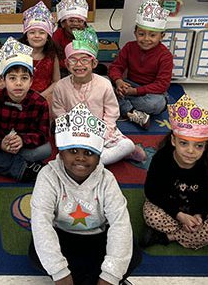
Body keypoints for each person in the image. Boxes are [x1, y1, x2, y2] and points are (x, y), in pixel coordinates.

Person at [29, 103, 141, 285]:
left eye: (89, 152)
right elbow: (41, 223)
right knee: (37, 249)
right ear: (61, 152)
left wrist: (111, 275)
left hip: (97, 238)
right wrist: (60, 273)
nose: (81, 158)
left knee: (132, 250)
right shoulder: (48, 176)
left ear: (99, 156)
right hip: (63, 235)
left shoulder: (107, 179)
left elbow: (120, 225)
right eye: (73, 151)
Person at [142, 94, 208, 249]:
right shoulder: (162, 158)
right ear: (173, 141)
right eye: (184, 143)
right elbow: (153, 192)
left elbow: (206, 197)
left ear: (206, 147)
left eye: (199, 146)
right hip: (168, 207)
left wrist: (199, 216)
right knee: (152, 215)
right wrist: (180, 216)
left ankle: (167, 237)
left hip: (193, 208)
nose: (190, 151)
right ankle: (207, 236)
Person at [51, 28, 147, 166]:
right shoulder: (60, 86)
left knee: (127, 145)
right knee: (67, 154)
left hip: (102, 128)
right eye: (73, 60)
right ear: (66, 64)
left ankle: (93, 161)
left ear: (94, 64)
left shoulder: (104, 83)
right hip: (73, 130)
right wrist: (73, 129)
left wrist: (105, 131)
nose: (79, 65)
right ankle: (96, 159)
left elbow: (112, 111)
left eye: (84, 60)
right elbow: (58, 112)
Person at [0, 38, 51, 183]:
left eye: (24, 78)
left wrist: (22, 140)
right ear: (4, 80)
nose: (18, 83)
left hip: (22, 145)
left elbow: (42, 133)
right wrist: (0, 143)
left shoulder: (40, 102)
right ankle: (20, 168)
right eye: (12, 78)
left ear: (31, 81)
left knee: (45, 150)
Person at [0, 1, 59, 113]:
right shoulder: (17, 52)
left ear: (48, 37)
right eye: (32, 32)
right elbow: (7, 75)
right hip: (16, 90)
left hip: (43, 93)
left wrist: (42, 95)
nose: (36, 36)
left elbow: (56, 81)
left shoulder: (51, 55)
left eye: (41, 33)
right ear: (26, 36)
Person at [109, 0, 174, 129]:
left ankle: (126, 108)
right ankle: (132, 112)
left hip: (151, 92)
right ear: (135, 33)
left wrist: (135, 91)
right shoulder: (129, 47)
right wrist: (119, 82)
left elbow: (162, 85)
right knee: (103, 83)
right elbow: (116, 67)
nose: (146, 39)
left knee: (157, 104)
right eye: (141, 34)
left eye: (152, 35)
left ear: (162, 36)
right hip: (129, 84)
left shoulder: (165, 56)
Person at [53, 0, 108, 77]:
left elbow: (91, 56)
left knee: (102, 69)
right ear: (63, 23)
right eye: (71, 20)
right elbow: (54, 55)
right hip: (64, 66)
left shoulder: (89, 34)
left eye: (80, 21)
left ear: (85, 23)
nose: (75, 24)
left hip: (83, 65)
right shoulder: (57, 35)